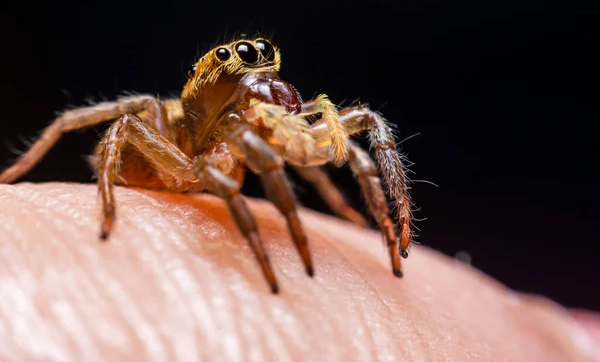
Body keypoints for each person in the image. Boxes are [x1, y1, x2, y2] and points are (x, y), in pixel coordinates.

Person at [0, 182, 598, 361]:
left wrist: (342, 205)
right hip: (165, 163)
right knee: (128, 117)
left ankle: (389, 226)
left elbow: (328, 141)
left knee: (361, 123)